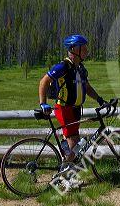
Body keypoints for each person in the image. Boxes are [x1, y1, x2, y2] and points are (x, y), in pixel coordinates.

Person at [38, 34, 106, 164]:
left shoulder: (80, 68)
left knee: (73, 145)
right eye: (84, 48)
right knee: (73, 143)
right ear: (75, 49)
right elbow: (43, 82)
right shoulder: (62, 67)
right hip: (64, 108)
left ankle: (67, 171)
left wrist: (99, 99)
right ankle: (64, 176)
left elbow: (87, 87)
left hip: (75, 110)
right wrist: (43, 103)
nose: (87, 51)